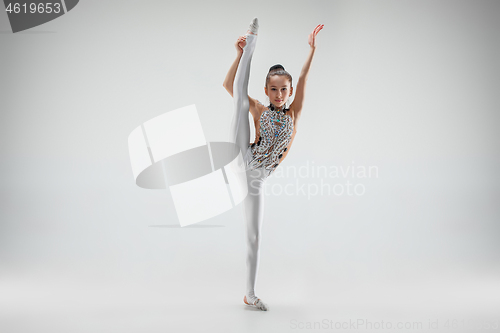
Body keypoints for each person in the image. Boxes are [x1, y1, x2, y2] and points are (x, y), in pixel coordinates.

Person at [222, 18, 323, 311]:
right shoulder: (259, 108)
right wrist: (240, 53)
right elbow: (228, 85)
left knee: (255, 236)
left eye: (283, 90)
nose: (279, 95)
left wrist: (311, 50)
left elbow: (303, 77)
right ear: (267, 91)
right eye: (274, 89)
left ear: (289, 92)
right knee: (240, 101)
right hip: (243, 155)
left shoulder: (294, 114)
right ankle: (252, 43)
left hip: (256, 179)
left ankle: (249, 294)